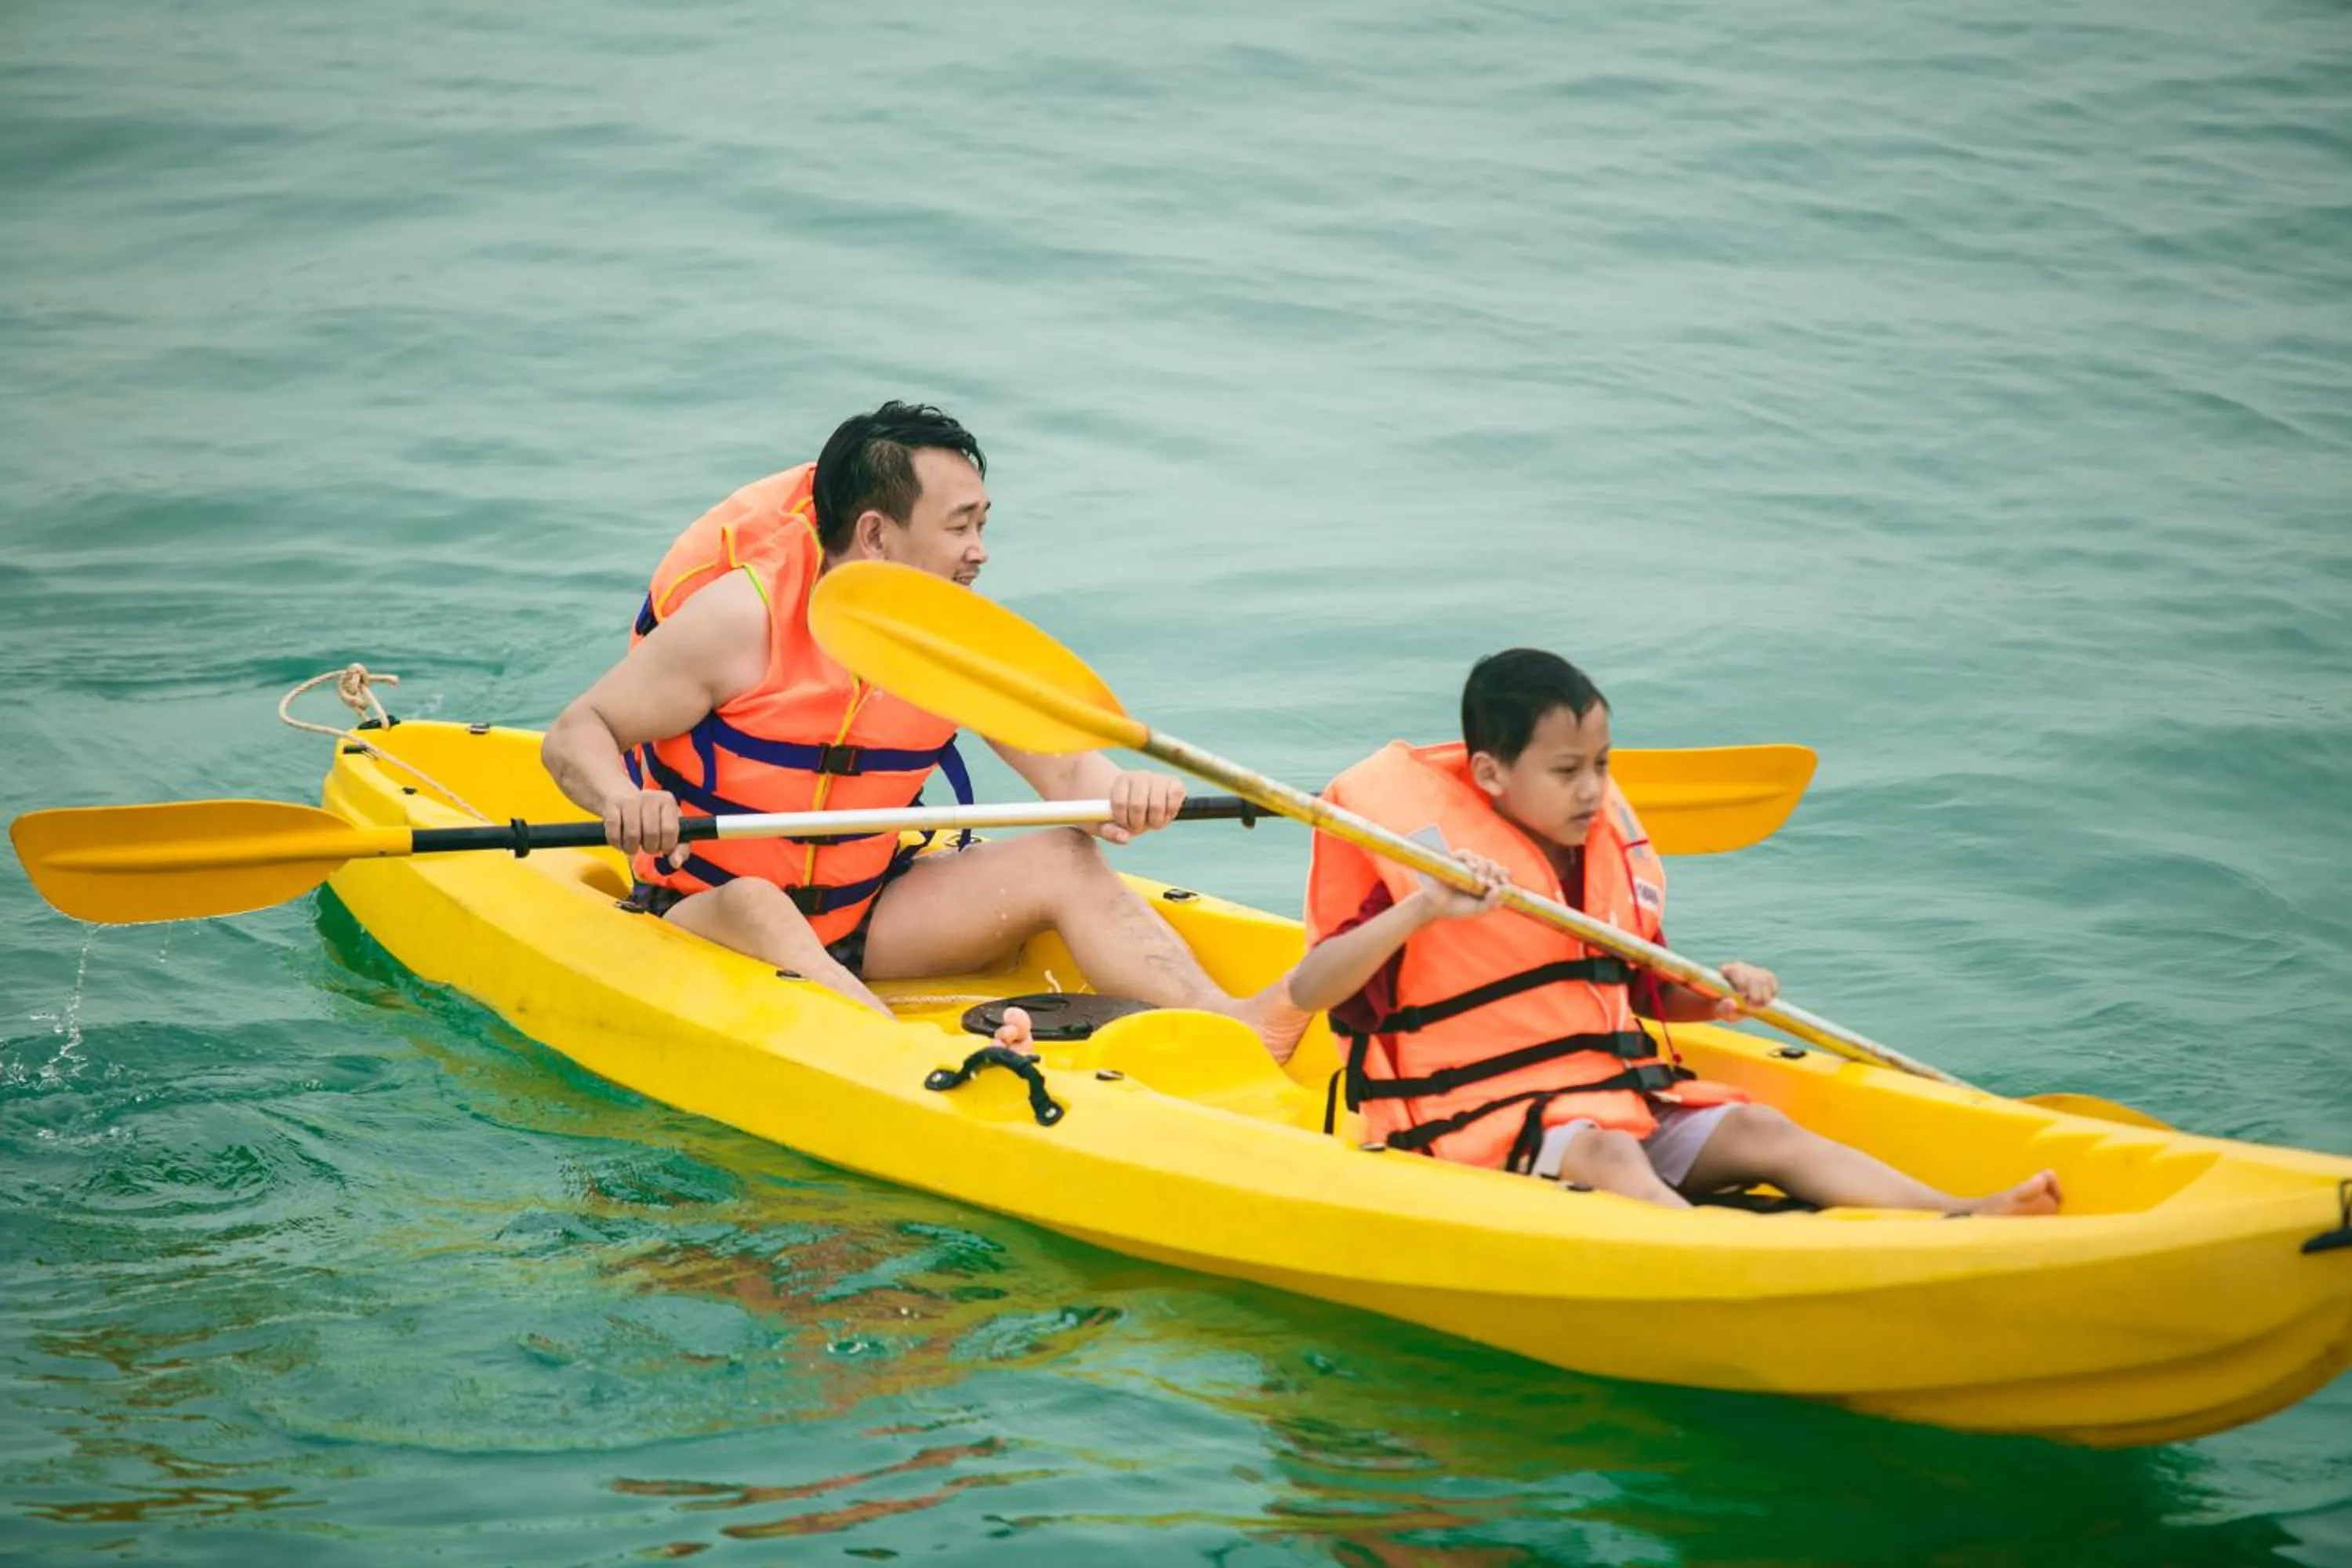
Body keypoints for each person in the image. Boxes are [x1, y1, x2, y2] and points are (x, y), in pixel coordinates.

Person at [542, 401, 1307, 1058]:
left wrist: (1126, 794)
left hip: (870, 914)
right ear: (875, 535)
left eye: (982, 524)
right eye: (960, 526)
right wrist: (622, 798)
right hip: (707, 912)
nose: (981, 550)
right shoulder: (742, 621)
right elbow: (579, 731)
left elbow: (1075, 779)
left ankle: (1233, 1025)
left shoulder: (954, 644)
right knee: (758, 902)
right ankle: (892, 1061)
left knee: (1065, 857)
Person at [1288, 648, 2062, 1214]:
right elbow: (1311, 987)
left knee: (1760, 1128)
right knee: (1610, 1151)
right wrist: (1420, 906)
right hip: (1475, 1127)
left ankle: (1955, 1212)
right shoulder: (1419, 864)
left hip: (1611, 1096)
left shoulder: (1596, 852)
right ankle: (1716, 1263)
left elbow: (1632, 983)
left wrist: (1716, 995)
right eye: (1566, 771)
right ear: (1492, 775)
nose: (1594, 789)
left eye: (1601, 763)